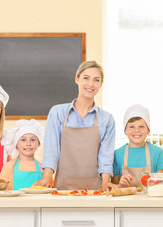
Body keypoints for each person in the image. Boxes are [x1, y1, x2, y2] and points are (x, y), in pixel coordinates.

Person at [34, 60, 116, 191]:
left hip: (95, 191)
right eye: (85, 78)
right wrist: (46, 179)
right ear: (77, 79)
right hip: (62, 190)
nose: (90, 84)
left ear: (101, 84)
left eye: (96, 80)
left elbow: (105, 157)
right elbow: (51, 152)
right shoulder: (57, 113)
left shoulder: (107, 119)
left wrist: (106, 183)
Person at [112, 104, 163, 188]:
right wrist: (120, 184)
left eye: (141, 126)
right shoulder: (118, 154)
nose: (136, 130)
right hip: (126, 200)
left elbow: (162, 183)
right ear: (125, 131)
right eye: (132, 127)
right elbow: (114, 185)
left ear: (148, 130)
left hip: (151, 199)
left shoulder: (157, 152)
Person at [0, 119, 53, 190]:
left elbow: (50, 188)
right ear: (16, 144)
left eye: (33, 140)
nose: (28, 144)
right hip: (14, 201)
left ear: (39, 143)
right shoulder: (8, 167)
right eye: (23, 140)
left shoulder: (44, 168)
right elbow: (1, 191)